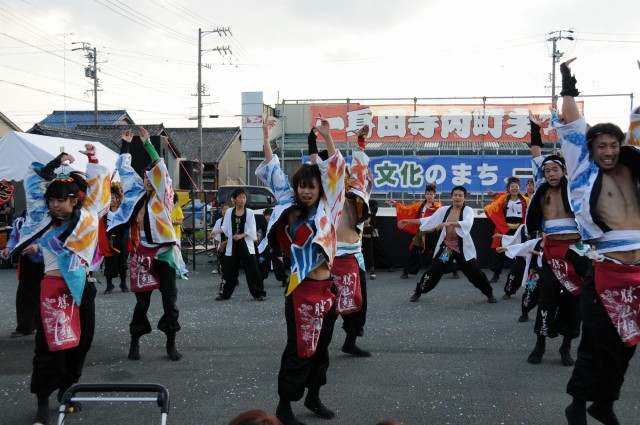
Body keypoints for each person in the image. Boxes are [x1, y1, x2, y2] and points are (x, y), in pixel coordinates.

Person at [554, 58, 640, 425]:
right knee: (597, 343)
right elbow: (574, 125)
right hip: (606, 269)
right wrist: (568, 87)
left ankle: (603, 403)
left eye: (613, 145)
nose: (608, 151)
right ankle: (578, 406)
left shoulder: (634, 167)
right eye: (601, 145)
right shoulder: (583, 170)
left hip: (639, 273)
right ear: (591, 149)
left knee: (627, 343)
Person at [11, 145, 110, 425]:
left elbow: (98, 192)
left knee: (81, 344)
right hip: (54, 290)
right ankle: (42, 400)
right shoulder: (42, 221)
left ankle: (68, 389)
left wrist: (93, 159)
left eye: (61, 200)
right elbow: (34, 183)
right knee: (49, 348)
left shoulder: (87, 218)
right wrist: (56, 162)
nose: (55, 204)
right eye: (52, 199)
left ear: (74, 200)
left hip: (82, 289)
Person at [256, 115, 345, 425]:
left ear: (321, 188)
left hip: (327, 289)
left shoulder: (329, 207)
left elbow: (335, 171)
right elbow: (273, 169)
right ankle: (284, 406)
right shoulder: (288, 205)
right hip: (301, 291)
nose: (306, 191)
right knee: (300, 348)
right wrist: (265, 139)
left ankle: (313, 396)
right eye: (302, 186)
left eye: (312, 186)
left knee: (321, 348)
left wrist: (327, 137)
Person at [107, 127, 185, 362]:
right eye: (145, 178)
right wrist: (126, 145)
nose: (148, 181)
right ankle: (135, 340)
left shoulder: (164, 197)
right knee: (142, 303)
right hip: (142, 255)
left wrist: (148, 144)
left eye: (152, 178)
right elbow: (124, 171)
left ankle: (171, 341)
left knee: (169, 300)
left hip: (164, 254)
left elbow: (162, 170)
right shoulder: (135, 195)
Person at [525, 111, 590, 366]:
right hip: (551, 249)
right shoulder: (541, 187)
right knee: (547, 297)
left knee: (575, 298)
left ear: (564, 170)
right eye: (548, 170)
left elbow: (575, 154)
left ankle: (567, 345)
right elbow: (536, 154)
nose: (551, 173)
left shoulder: (573, 185)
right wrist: (535, 129)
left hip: (576, 249)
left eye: (555, 169)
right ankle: (540, 342)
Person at [399, 186, 497, 304]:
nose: (457, 198)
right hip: (448, 248)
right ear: (451, 197)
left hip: (462, 249)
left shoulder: (468, 210)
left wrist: (448, 223)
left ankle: (488, 293)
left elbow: (467, 223)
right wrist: (410, 221)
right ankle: (419, 291)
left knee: (475, 273)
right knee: (434, 271)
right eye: (455, 195)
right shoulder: (444, 210)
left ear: (464, 198)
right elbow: (429, 220)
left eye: (460, 195)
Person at [331, 124, 372, 357]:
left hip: (356, 257)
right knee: (330, 302)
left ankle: (350, 340)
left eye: (347, 177)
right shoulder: (328, 200)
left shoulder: (357, 197)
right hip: (332, 258)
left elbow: (360, 171)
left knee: (358, 302)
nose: (345, 180)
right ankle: (319, 342)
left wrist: (361, 142)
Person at [216, 188, 266, 301]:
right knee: (230, 270)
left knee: (252, 269)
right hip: (233, 245)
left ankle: (259, 293)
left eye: (244, 197)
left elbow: (252, 228)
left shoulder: (249, 212)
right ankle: (225, 294)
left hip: (245, 244)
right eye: (240, 197)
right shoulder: (229, 212)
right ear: (234, 199)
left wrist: (241, 235)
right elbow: (226, 227)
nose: (242, 200)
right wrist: (217, 231)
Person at [479, 177, 529, 284]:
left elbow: (532, 211)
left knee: (521, 251)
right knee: (499, 251)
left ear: (519, 188)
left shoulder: (525, 200)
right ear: (508, 188)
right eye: (512, 187)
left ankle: (522, 274)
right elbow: (493, 206)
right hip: (505, 228)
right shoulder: (504, 198)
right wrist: (484, 209)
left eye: (516, 186)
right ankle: (496, 274)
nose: (514, 188)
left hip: (519, 229)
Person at [1, 211, 43, 337]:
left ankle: (44, 328)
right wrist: (8, 248)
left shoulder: (51, 217)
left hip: (48, 262)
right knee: (24, 295)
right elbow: (14, 238)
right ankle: (25, 327)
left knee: (45, 295)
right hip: (27, 260)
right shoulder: (22, 219)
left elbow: (57, 239)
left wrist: (38, 247)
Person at [389, 183, 443, 279]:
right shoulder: (420, 205)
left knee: (439, 251)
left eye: (431, 194)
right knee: (415, 251)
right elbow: (407, 208)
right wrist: (396, 204)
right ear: (425, 195)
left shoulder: (438, 206)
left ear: (435, 195)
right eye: (427, 194)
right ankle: (406, 271)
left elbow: (441, 216)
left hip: (434, 232)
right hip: (422, 232)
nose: (429, 196)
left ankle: (452, 269)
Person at [99, 184, 130, 294]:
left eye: (112, 197)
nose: (111, 200)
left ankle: (123, 284)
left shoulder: (123, 209)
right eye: (109, 198)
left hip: (122, 238)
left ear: (117, 198)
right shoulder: (104, 211)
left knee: (123, 262)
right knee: (109, 262)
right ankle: (109, 285)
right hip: (109, 239)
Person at [257, 207, 289, 287]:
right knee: (262, 263)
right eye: (266, 215)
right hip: (265, 249)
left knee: (278, 265)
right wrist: (259, 238)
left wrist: (272, 248)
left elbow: (280, 238)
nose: (268, 217)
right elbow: (259, 235)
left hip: (276, 248)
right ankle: (260, 280)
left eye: (269, 215)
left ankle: (284, 280)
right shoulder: (264, 225)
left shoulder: (276, 226)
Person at [171, 193, 189, 276]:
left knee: (177, 252)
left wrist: (171, 221)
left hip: (175, 235)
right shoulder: (164, 208)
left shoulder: (177, 208)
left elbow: (180, 221)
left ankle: (183, 271)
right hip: (165, 235)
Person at [209, 202, 229, 276]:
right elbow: (215, 235)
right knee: (222, 261)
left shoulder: (232, 220)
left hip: (231, 243)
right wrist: (217, 247)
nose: (225, 212)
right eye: (223, 210)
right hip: (222, 244)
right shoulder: (219, 221)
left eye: (227, 210)